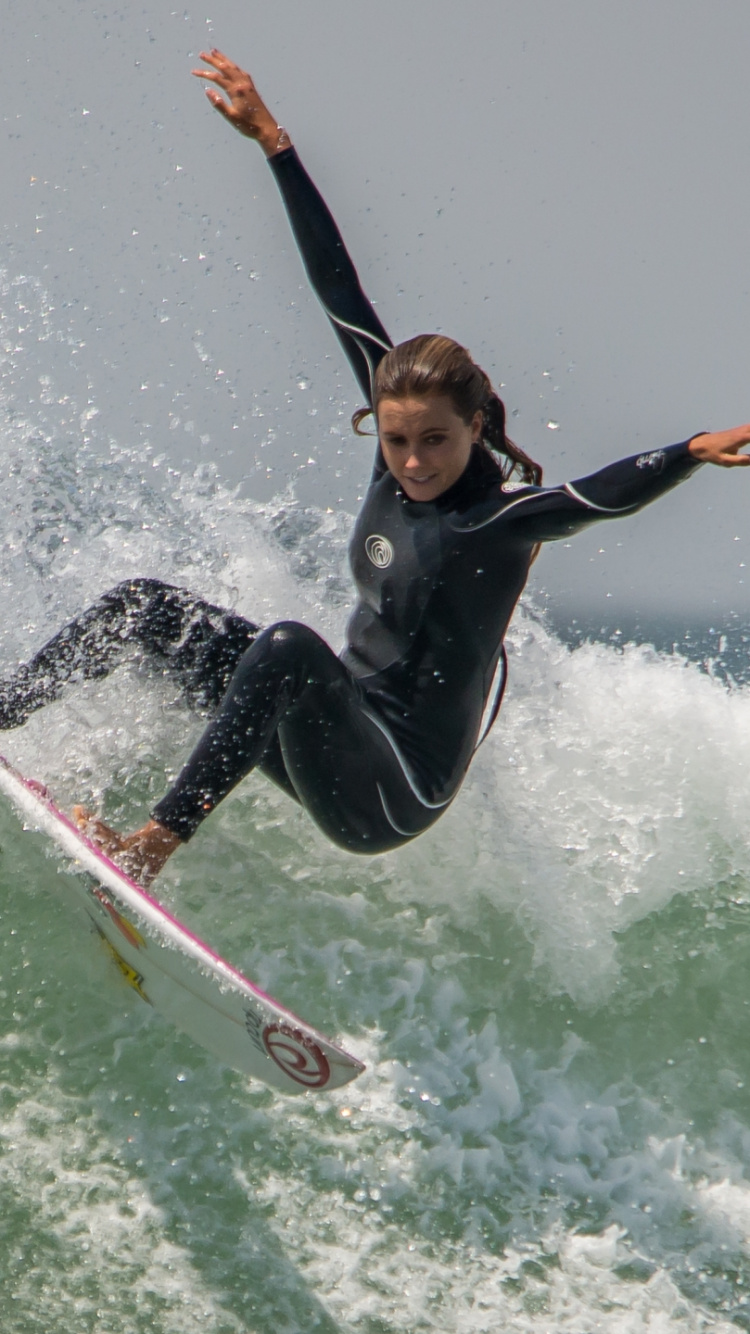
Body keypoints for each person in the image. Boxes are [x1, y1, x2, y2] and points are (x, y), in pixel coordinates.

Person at [1, 49, 748, 886]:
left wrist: (687, 452)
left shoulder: (497, 522)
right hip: (335, 727)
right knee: (144, 608)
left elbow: (596, 496)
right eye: (396, 441)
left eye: (435, 440)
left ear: (474, 428)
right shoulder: (395, 458)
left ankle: (148, 849)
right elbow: (339, 288)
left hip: (393, 791)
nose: (414, 461)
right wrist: (277, 146)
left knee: (287, 646)